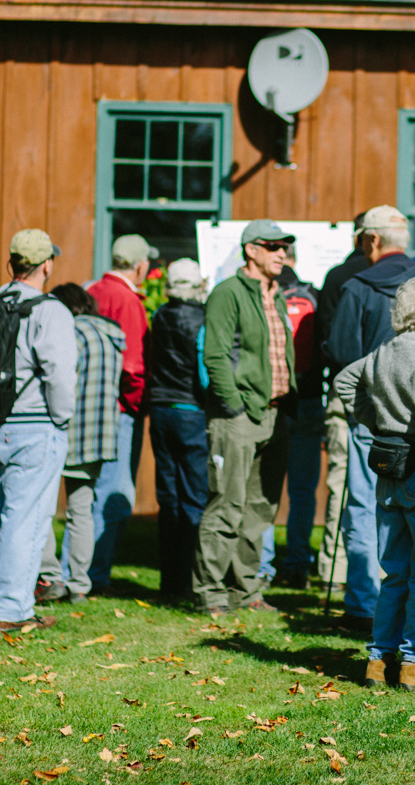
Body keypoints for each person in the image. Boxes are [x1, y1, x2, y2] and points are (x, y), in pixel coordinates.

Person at [323, 205, 415, 629]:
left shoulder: (355, 287)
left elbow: (343, 356)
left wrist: (368, 415)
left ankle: (364, 603)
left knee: (366, 512)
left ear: (371, 241)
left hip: (379, 426)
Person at [334, 277, 415, 692]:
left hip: (389, 469)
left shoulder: (384, 350)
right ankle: (412, 664)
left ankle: (377, 661)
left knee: (394, 572)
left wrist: (374, 422)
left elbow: (342, 381)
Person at [0, 229, 75, 631]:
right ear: (47, 264)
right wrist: (61, 419)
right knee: (23, 521)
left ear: (11, 264)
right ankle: (10, 613)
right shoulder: (51, 310)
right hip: (34, 427)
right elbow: (60, 376)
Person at [193, 219, 296, 615]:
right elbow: (215, 355)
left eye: (284, 247)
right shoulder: (227, 293)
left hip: (274, 414)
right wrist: (233, 404)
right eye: (273, 246)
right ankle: (210, 591)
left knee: (259, 509)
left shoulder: (278, 295)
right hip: (238, 416)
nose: (281, 253)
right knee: (227, 503)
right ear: (251, 250)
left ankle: (245, 590)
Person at [34, 282, 126, 605]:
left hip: (63, 429)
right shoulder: (112, 336)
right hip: (98, 437)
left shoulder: (70, 333)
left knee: (40, 507)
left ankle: (49, 577)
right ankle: (80, 584)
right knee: (81, 510)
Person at [85, 233, 157, 594]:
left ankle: (77, 570)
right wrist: (136, 404)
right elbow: (133, 367)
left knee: (87, 492)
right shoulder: (127, 300)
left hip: (90, 406)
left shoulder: (93, 290)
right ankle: (95, 574)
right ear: (141, 265)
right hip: (119, 409)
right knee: (115, 492)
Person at [143, 259, 210, 601]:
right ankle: (190, 582)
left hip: (160, 409)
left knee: (168, 498)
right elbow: (203, 374)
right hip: (190, 412)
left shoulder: (159, 315)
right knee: (195, 498)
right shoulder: (201, 319)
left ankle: (168, 582)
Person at [258, 245, 325, 588]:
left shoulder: (265, 295)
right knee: (302, 489)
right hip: (309, 400)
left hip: (272, 401)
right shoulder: (312, 294)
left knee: (266, 486)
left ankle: (262, 565)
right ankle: (298, 563)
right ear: (296, 260)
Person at [315, 212, 372, 589]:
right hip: (384, 391)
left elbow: (327, 342)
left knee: (342, 480)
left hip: (342, 387)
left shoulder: (335, 277)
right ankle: (372, 570)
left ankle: (333, 573)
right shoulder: (386, 277)